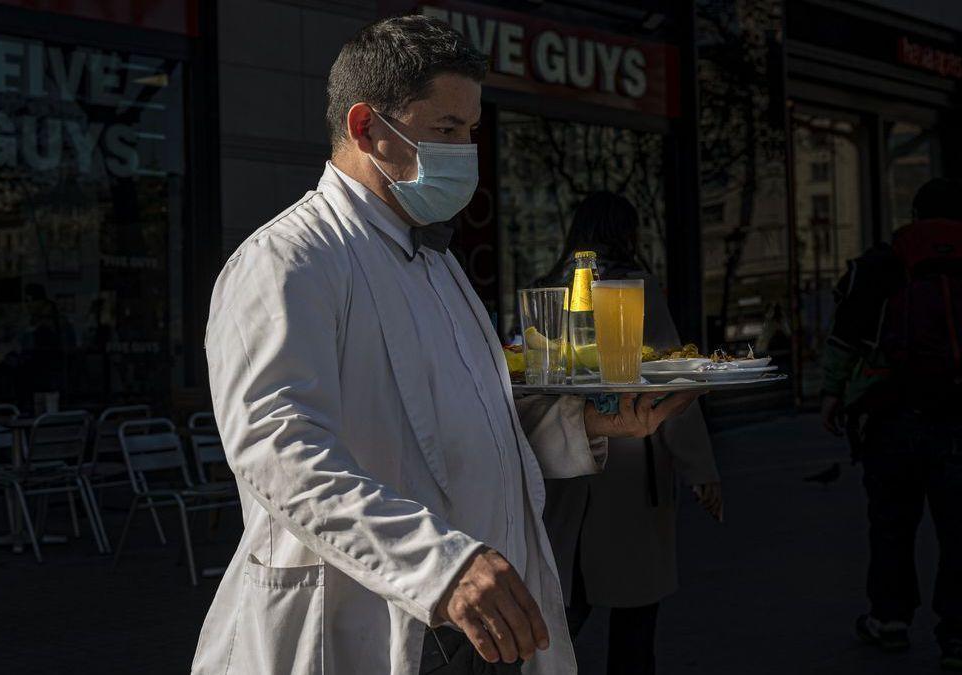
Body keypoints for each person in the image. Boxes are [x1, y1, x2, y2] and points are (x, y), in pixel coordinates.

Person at [191, 17, 702, 675]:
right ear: (366, 127)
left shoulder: (436, 263)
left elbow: (468, 426)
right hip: (374, 626)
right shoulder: (288, 261)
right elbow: (280, 451)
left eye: (472, 130)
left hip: (475, 630)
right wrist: (440, 564)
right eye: (447, 131)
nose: (467, 152)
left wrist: (591, 420)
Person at [533, 192, 722, 675]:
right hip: (631, 462)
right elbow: (670, 377)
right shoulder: (635, 288)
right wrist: (700, 467)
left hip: (564, 463)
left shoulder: (549, 290)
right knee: (634, 613)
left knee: (566, 601)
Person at [820, 177, 962, 671]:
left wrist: (832, 395)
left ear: (915, 213)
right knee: (958, 530)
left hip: (889, 414)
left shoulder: (882, 263)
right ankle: (958, 638)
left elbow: (845, 337)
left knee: (891, 524)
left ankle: (891, 619)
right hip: (957, 419)